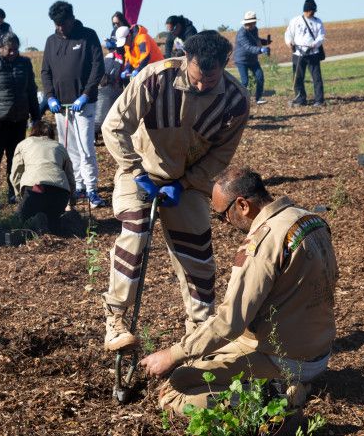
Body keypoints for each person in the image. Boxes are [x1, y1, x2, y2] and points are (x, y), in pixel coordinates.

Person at [140, 167, 337, 417]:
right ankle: (284, 383)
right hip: (318, 351)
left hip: (283, 357)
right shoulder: (309, 219)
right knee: (197, 360)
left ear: (242, 204)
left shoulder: (263, 243)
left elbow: (229, 322)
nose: (225, 223)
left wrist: (172, 354)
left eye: (223, 215)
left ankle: (279, 397)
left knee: (175, 392)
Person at [100, 31, 250, 351]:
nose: (200, 87)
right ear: (186, 60)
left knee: (197, 251)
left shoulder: (236, 101)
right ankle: (115, 321)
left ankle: (200, 328)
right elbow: (115, 126)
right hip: (139, 171)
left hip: (188, 181)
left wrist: (184, 183)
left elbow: (221, 154)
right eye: (196, 79)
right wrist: (135, 170)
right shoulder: (156, 78)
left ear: (225, 66)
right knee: (134, 234)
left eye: (209, 82)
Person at [41, 0, 107, 208]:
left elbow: (98, 67)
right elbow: (46, 71)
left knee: (86, 146)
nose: (60, 27)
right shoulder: (51, 41)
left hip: (83, 104)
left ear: (71, 19)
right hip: (61, 106)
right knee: (69, 148)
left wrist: (86, 95)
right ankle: (77, 185)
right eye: (56, 24)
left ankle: (92, 189)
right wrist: (50, 96)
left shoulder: (88, 35)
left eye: (63, 23)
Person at [0, 32, 40, 206]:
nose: (13, 53)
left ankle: (14, 193)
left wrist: (36, 117)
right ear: (0, 48)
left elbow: (31, 91)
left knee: (15, 160)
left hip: (18, 121)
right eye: (10, 50)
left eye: (16, 49)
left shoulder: (25, 64)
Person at [10, 120, 75, 234]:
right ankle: (54, 223)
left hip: (35, 188)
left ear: (33, 131)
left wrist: (18, 194)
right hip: (60, 192)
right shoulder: (59, 146)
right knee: (54, 224)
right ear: (51, 133)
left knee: (19, 223)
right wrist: (71, 196)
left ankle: (36, 222)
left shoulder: (24, 144)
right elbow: (70, 176)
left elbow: (15, 174)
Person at [284, 0, 326, 107]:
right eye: (311, 10)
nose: (313, 13)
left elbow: (321, 36)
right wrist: (289, 43)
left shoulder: (318, 22)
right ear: (306, 10)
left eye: (314, 11)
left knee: (316, 78)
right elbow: (288, 34)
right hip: (298, 54)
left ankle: (319, 100)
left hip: (313, 54)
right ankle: (300, 99)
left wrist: (315, 44)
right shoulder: (295, 21)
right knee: (298, 77)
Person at [234, 11, 272, 105]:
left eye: (253, 23)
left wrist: (265, 41)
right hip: (241, 60)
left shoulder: (254, 29)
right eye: (249, 23)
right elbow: (248, 47)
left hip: (252, 60)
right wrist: (261, 50)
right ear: (245, 23)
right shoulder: (241, 34)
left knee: (260, 76)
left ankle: (258, 98)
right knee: (245, 81)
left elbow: (255, 40)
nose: (251, 25)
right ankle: (238, 100)